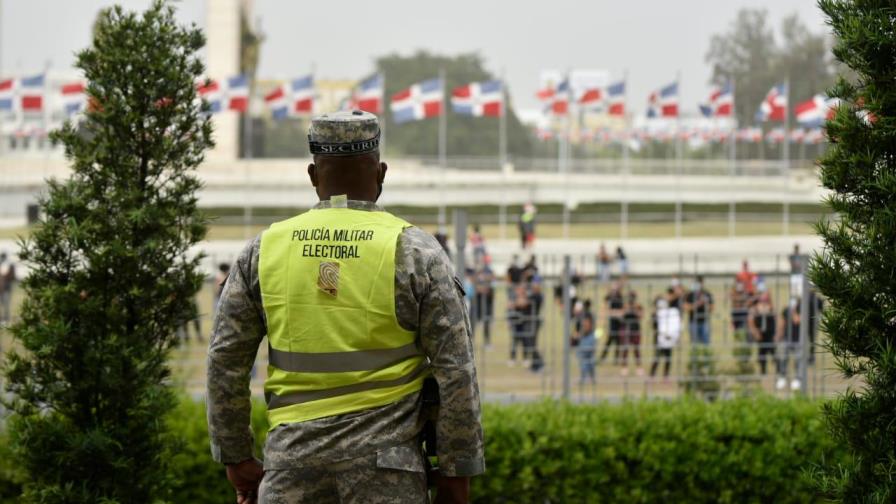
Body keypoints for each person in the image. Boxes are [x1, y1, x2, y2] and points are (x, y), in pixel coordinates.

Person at [206, 111, 484, 504]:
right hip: (389, 468)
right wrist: (458, 472)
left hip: (291, 468)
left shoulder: (263, 250)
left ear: (313, 175)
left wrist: (234, 455)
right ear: (381, 173)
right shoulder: (415, 252)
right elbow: (457, 370)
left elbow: (225, 359)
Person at [776, 298, 803, 391]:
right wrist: (779, 335)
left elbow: (797, 320)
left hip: (798, 339)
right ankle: (782, 377)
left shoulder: (802, 309)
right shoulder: (786, 310)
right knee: (783, 357)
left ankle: (798, 379)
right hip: (787, 338)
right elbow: (782, 323)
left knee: (798, 359)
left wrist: (794, 311)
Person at [650, 296, 681, 380]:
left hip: (669, 337)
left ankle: (666, 376)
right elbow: (654, 326)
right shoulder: (655, 314)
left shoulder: (670, 314)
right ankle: (652, 375)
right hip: (659, 338)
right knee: (657, 357)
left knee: (668, 357)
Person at [748, 292, 777, 376]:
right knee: (762, 352)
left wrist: (776, 334)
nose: (764, 301)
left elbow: (776, 318)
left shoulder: (771, 308)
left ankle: (777, 367)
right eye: (763, 299)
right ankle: (763, 371)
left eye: (766, 299)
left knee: (772, 350)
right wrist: (755, 332)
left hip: (770, 334)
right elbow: (750, 321)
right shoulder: (755, 309)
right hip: (760, 335)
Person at [599, 282, 625, 365]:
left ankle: (615, 359)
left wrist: (611, 312)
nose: (614, 290)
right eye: (613, 288)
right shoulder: (609, 297)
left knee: (616, 342)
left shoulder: (620, 297)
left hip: (618, 323)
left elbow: (621, 312)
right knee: (609, 342)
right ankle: (604, 358)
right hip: (612, 323)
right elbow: (605, 304)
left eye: (615, 289)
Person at [684, 275, 714, 346]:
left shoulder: (707, 294)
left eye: (699, 282)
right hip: (693, 322)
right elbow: (686, 307)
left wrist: (705, 304)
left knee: (706, 344)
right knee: (694, 344)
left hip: (705, 322)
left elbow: (712, 308)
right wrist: (697, 304)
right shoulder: (690, 294)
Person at [619, 290, 644, 376]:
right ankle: (624, 368)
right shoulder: (625, 306)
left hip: (635, 329)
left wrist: (635, 309)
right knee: (625, 349)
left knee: (636, 349)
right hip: (626, 329)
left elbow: (641, 316)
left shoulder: (638, 306)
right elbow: (621, 316)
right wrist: (626, 310)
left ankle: (639, 367)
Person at [472, 260, 495, 349]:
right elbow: (475, 289)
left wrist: (482, 288)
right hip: (477, 307)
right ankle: (472, 341)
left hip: (486, 307)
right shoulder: (477, 278)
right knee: (472, 323)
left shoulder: (489, 282)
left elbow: (488, 291)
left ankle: (487, 342)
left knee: (486, 325)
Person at [575, 299, 597, 385]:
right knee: (589, 359)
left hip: (586, 338)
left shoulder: (585, 315)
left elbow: (586, 326)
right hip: (590, 338)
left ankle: (583, 379)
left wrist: (579, 334)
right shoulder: (590, 314)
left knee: (584, 359)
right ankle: (592, 378)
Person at [0, 252, 15, 325]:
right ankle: (2, 318)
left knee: (6, 304)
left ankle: (6, 318)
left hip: (6, 289)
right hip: (1, 289)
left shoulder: (10, 265)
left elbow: (12, 277)